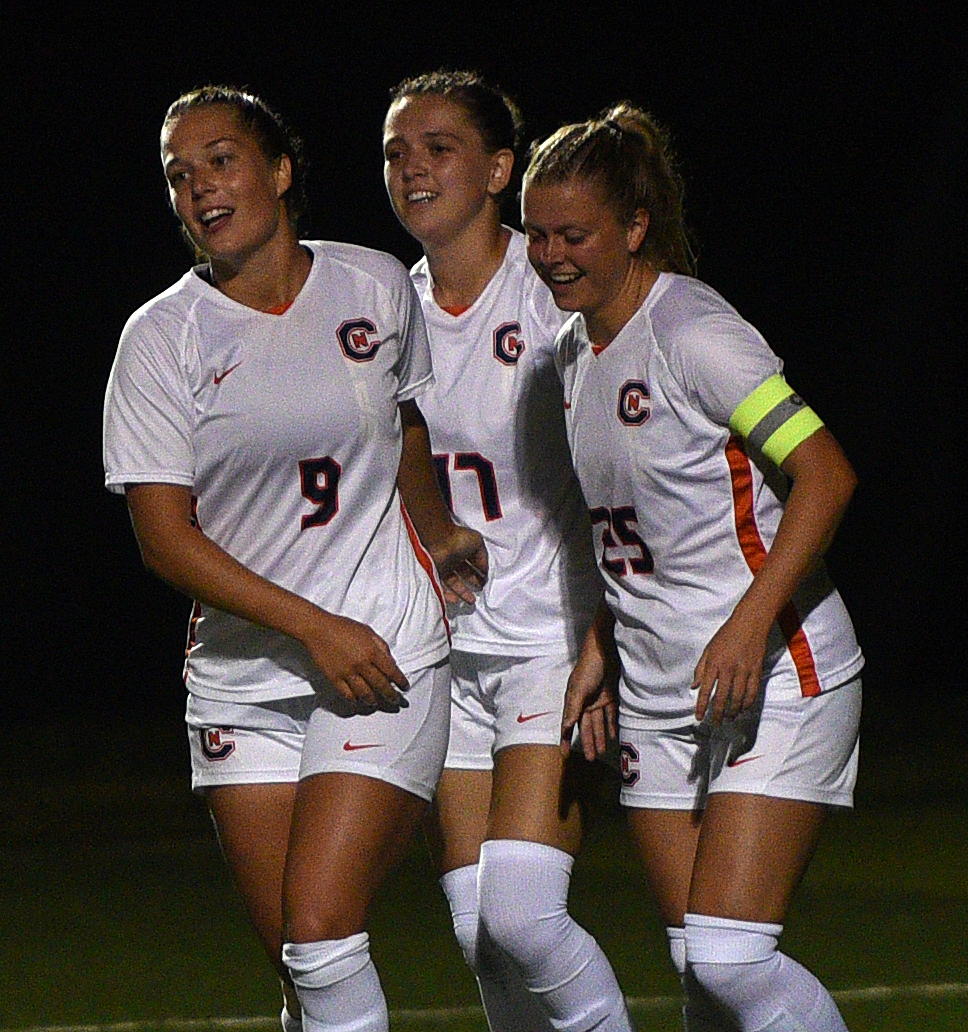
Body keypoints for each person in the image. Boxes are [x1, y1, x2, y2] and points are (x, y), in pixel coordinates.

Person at [103, 85, 487, 1032]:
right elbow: (165, 539)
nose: (199, 188)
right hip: (245, 676)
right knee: (302, 968)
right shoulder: (158, 340)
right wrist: (313, 627)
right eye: (177, 175)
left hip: (381, 649)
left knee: (320, 933)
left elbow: (402, 423)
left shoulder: (373, 285)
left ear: (279, 171)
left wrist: (432, 526)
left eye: (221, 160)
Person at [522, 103, 865, 1032]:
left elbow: (826, 476)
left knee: (729, 954)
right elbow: (627, 529)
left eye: (576, 234)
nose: (552, 254)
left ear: (634, 227)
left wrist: (750, 624)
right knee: (701, 973)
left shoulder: (694, 333)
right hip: (663, 692)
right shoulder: (570, 349)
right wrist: (601, 645)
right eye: (537, 232)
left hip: (780, 674)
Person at [382, 71, 634, 1032]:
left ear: (499, 171)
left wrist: (611, 636)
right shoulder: (384, 310)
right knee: (474, 931)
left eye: (440, 147)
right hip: (450, 655)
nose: (413, 167)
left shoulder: (553, 289)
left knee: (525, 919)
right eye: (398, 150)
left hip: (552, 642)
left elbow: (630, 456)